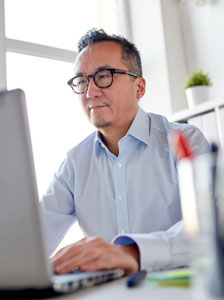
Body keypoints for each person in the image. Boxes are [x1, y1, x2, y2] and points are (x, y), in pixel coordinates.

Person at [42, 28, 209, 276]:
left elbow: (211, 223)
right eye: (82, 81)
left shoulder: (185, 140)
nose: (90, 93)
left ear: (139, 87)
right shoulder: (75, 162)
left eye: (104, 76)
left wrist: (132, 252)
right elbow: (34, 236)